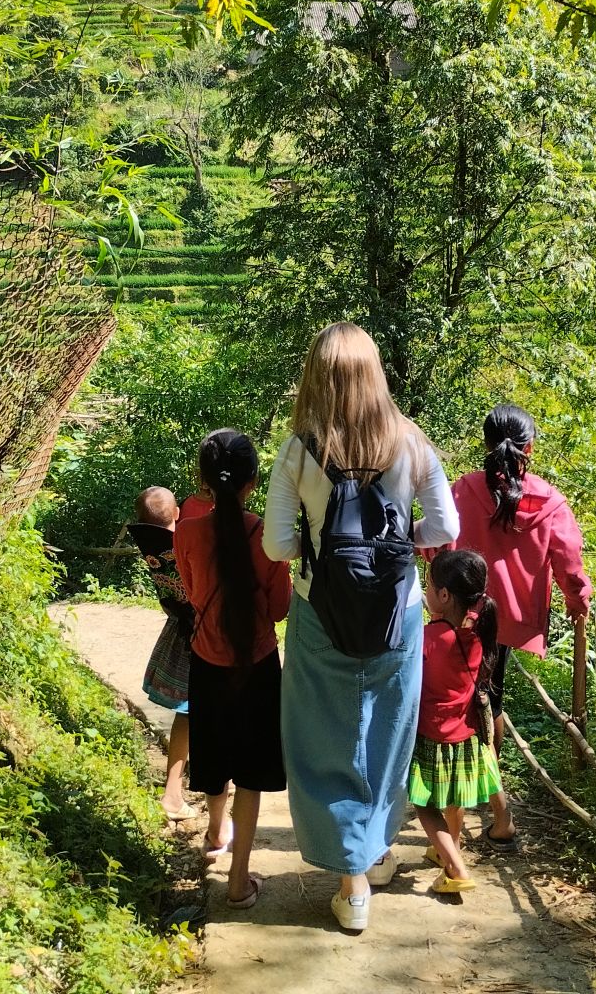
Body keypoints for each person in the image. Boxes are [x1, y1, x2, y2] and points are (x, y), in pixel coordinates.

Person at [264, 322, 459, 933]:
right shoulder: (411, 443)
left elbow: (276, 544)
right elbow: (445, 529)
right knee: (386, 739)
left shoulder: (300, 448)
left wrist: (320, 549)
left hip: (319, 611)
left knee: (323, 738)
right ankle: (370, 854)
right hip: (397, 614)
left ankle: (352, 884)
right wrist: (398, 547)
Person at [450, 404, 590, 852]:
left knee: (469, 702)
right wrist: (577, 601)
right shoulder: (549, 501)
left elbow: (439, 544)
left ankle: (491, 809)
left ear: (486, 443)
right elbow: (569, 562)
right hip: (509, 622)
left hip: (463, 615)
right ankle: (493, 809)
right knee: (489, 698)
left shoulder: (464, 490)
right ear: (529, 447)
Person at [175, 429, 292, 911]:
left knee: (215, 755)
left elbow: (192, 592)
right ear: (252, 481)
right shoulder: (265, 533)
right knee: (251, 771)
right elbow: (280, 608)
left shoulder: (185, 531)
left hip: (206, 659)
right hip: (258, 664)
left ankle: (213, 833)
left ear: (202, 480)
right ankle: (239, 880)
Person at [409, 549, 501, 896]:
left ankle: (456, 867)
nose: (427, 593)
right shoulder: (477, 636)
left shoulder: (429, 639)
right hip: (465, 736)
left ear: (444, 596)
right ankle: (449, 848)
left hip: (433, 735)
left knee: (424, 803)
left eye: (429, 586)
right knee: (452, 799)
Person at [128, 486, 203, 822]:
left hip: (179, 629)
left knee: (187, 714)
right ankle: (178, 795)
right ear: (177, 514)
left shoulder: (151, 546)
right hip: (202, 635)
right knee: (207, 711)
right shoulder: (185, 545)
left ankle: (175, 790)